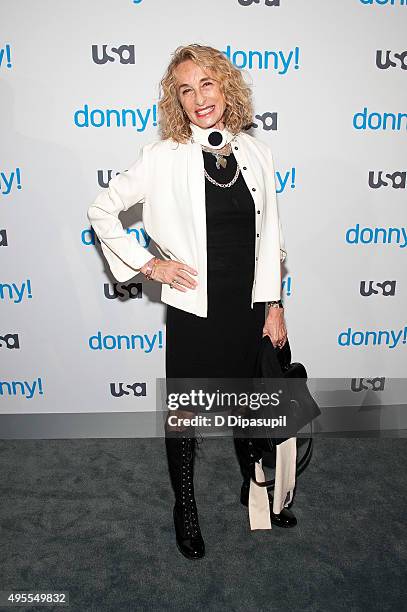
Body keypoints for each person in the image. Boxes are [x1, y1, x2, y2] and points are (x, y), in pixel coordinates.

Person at [87, 43, 296, 561]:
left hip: (248, 305)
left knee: (252, 408)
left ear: (225, 86)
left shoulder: (256, 152)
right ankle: (185, 506)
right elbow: (101, 210)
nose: (199, 97)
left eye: (207, 83)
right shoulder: (162, 157)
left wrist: (274, 304)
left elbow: (270, 235)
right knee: (186, 415)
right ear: (176, 101)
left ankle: (256, 491)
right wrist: (147, 265)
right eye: (186, 89)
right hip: (193, 308)